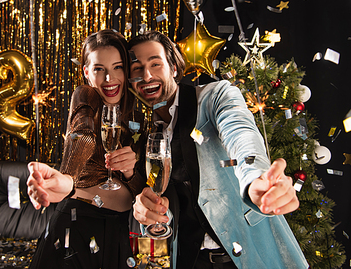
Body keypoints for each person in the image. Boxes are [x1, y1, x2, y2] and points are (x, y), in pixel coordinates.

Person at [129, 31, 308, 269]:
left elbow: (240, 132)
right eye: (137, 69)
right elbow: (170, 204)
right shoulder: (143, 133)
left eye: (155, 63)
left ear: (173, 67)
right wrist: (149, 212)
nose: (147, 75)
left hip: (253, 256)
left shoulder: (215, 96)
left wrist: (254, 177)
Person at [27, 29, 146, 269]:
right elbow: (83, 136)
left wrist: (131, 172)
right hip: (78, 221)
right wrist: (68, 178)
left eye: (117, 67)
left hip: (119, 230)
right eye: (99, 69)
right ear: (87, 73)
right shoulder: (85, 95)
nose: (109, 79)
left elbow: (139, 189)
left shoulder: (137, 115)